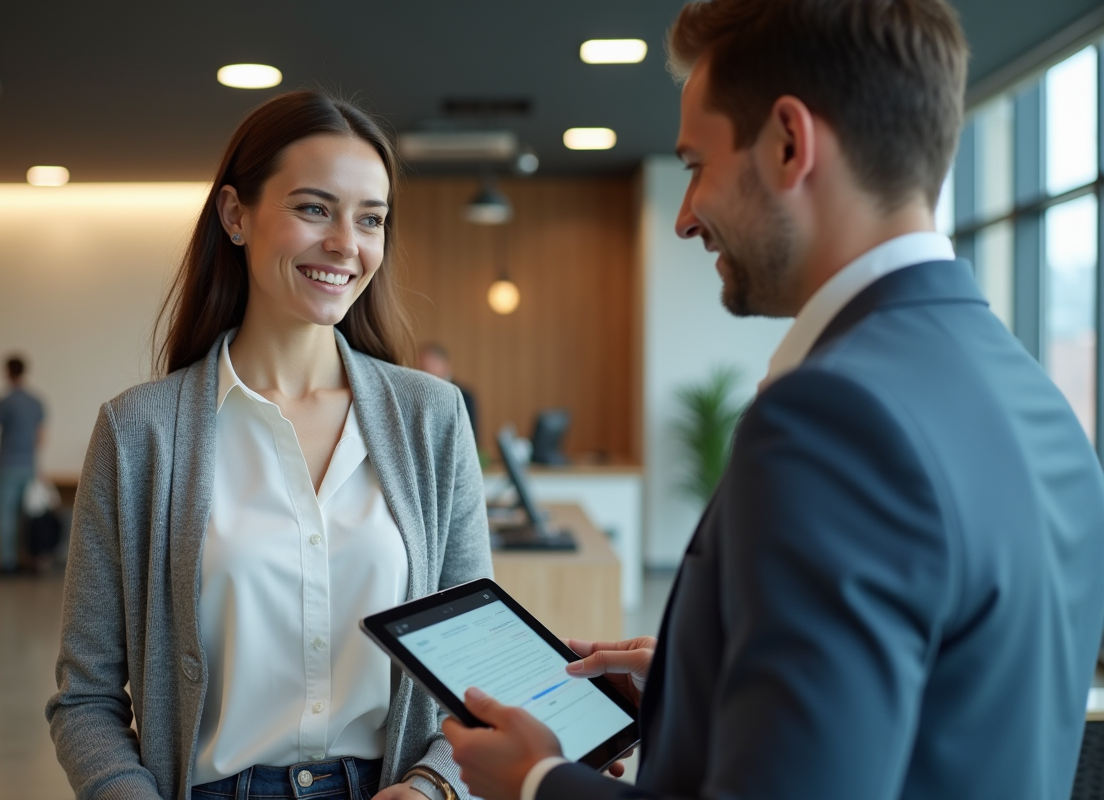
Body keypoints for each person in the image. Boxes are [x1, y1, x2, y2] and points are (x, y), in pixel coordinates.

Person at [442, 2, 1104, 799]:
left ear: (790, 143)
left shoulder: (834, 416)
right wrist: (698, 687)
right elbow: (941, 714)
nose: (685, 217)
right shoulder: (1036, 398)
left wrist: (537, 780)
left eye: (695, 165)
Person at [46, 91, 492, 800]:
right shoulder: (138, 433)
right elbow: (86, 700)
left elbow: (475, 675)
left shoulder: (431, 418)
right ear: (235, 215)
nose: (346, 243)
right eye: (315, 208)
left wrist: (432, 787)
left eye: (370, 218)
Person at [0, 354, 45, 574]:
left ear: (7, 372)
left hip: (7, 465)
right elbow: (40, 437)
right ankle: (27, 560)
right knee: (26, 515)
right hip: (28, 465)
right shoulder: (36, 401)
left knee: (4, 516)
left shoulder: (6, 401)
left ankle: (6, 563)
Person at [418, 342, 478, 444]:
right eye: (421, 368)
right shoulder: (418, 394)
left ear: (445, 365)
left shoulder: (464, 396)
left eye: (431, 366)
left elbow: (470, 438)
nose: (425, 373)